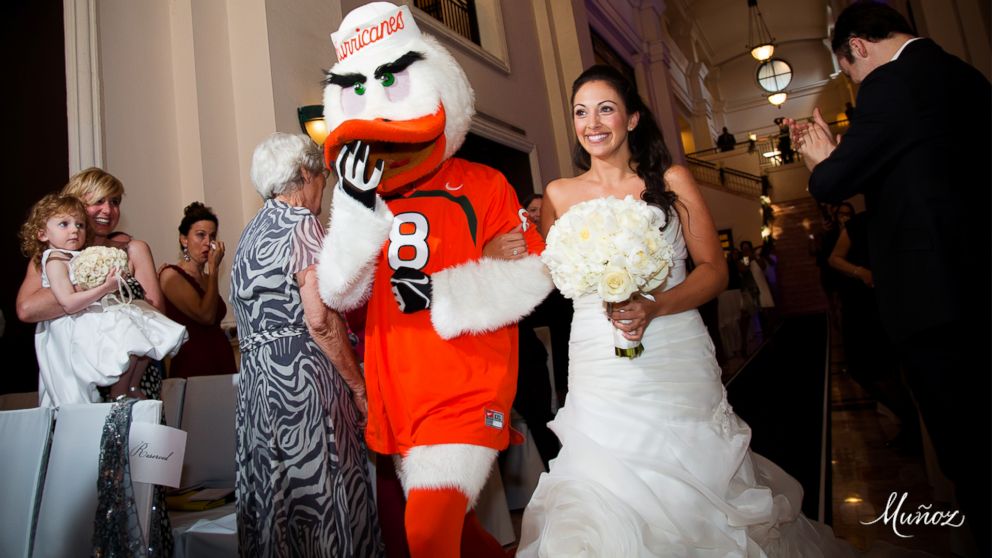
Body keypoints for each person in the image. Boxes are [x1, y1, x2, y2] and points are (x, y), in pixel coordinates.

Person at [517, 64, 854, 556]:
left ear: (632, 118)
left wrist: (655, 306)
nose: (592, 122)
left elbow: (713, 270)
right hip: (597, 361)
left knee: (693, 480)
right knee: (598, 481)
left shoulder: (670, 181)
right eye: (580, 112)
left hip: (671, 350)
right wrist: (511, 252)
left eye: (605, 108)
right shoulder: (558, 195)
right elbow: (552, 278)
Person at [316, 5, 552, 557]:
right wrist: (352, 209)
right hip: (400, 386)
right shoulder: (367, 196)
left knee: (425, 530)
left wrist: (448, 289)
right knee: (454, 533)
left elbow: (534, 272)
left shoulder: (484, 183)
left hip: (467, 380)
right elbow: (339, 292)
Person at [789, 2, 990, 549]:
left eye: (848, 72)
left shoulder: (890, 84)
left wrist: (820, 156)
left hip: (935, 299)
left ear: (855, 47)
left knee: (967, 447)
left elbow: (832, 183)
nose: (854, 83)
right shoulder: (965, 75)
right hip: (977, 282)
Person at [231, 133, 382, 557]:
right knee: (325, 485)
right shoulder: (300, 223)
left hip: (258, 385)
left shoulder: (248, 234)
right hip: (303, 380)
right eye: (321, 176)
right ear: (303, 174)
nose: (324, 186)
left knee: (278, 493)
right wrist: (358, 386)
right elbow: (320, 320)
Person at [17, 167, 170, 400]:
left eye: (115, 202)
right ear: (74, 204)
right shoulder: (52, 256)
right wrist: (97, 285)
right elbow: (27, 310)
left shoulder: (133, 250)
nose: (108, 210)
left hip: (130, 375)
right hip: (73, 371)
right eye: (98, 201)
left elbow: (156, 314)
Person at [158, 202, 237, 378]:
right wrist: (214, 268)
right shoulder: (171, 274)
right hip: (194, 365)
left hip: (222, 361)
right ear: (184, 239)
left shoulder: (208, 278)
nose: (208, 243)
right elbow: (206, 315)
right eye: (200, 235)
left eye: (212, 236)